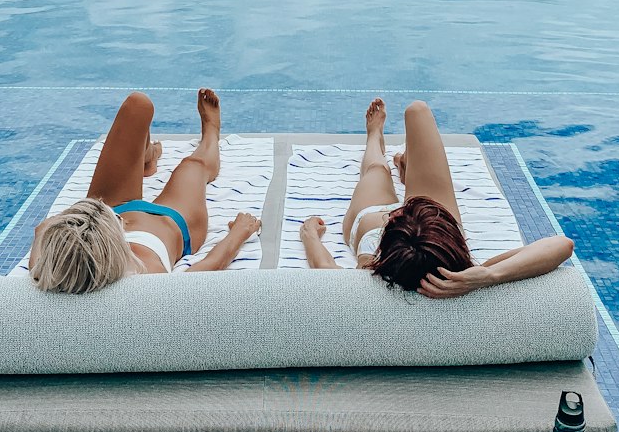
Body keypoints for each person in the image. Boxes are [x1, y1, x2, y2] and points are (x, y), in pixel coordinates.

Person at [299, 98, 573, 296]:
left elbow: (324, 265)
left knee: (376, 169)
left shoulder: (367, 278)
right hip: (432, 225)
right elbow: (561, 245)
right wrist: (489, 276)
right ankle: (410, 173)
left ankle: (375, 137)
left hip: (372, 225)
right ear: (454, 241)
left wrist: (310, 234)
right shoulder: (462, 274)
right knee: (417, 111)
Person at [29, 88, 260, 293]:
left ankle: (147, 156)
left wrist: (70, 226)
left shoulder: (52, 270)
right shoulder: (145, 283)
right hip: (172, 222)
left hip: (105, 215)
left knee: (138, 104)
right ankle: (211, 133)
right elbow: (209, 267)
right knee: (193, 167)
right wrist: (239, 233)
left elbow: (42, 229)